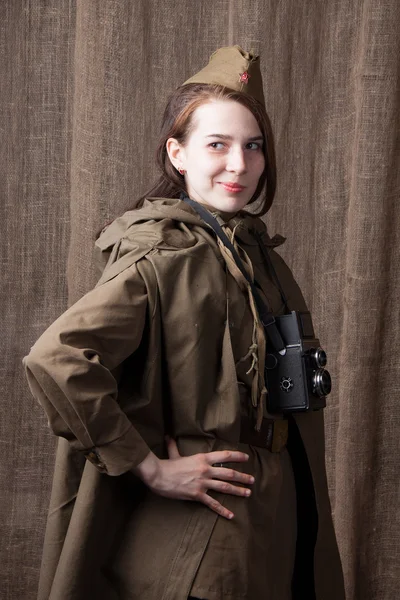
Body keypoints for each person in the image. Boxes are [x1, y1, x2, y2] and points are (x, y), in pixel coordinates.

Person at [23, 46, 345, 600]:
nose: (239, 164)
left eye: (253, 146)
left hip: (278, 516)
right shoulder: (164, 254)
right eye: (217, 145)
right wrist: (148, 467)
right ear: (178, 154)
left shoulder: (255, 253)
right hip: (210, 534)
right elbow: (58, 359)